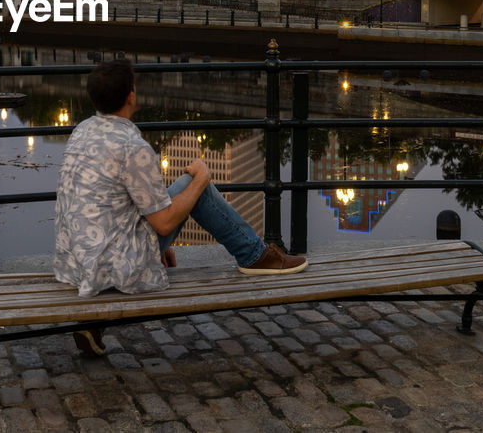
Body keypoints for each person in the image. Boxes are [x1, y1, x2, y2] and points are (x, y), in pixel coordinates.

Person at [54, 58, 307, 355]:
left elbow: (111, 203)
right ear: (131, 96)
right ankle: (255, 255)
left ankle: (95, 323)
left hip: (75, 262)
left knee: (181, 194)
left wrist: (154, 243)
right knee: (192, 184)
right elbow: (164, 223)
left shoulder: (83, 130)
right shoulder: (132, 146)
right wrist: (202, 176)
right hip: (112, 266)